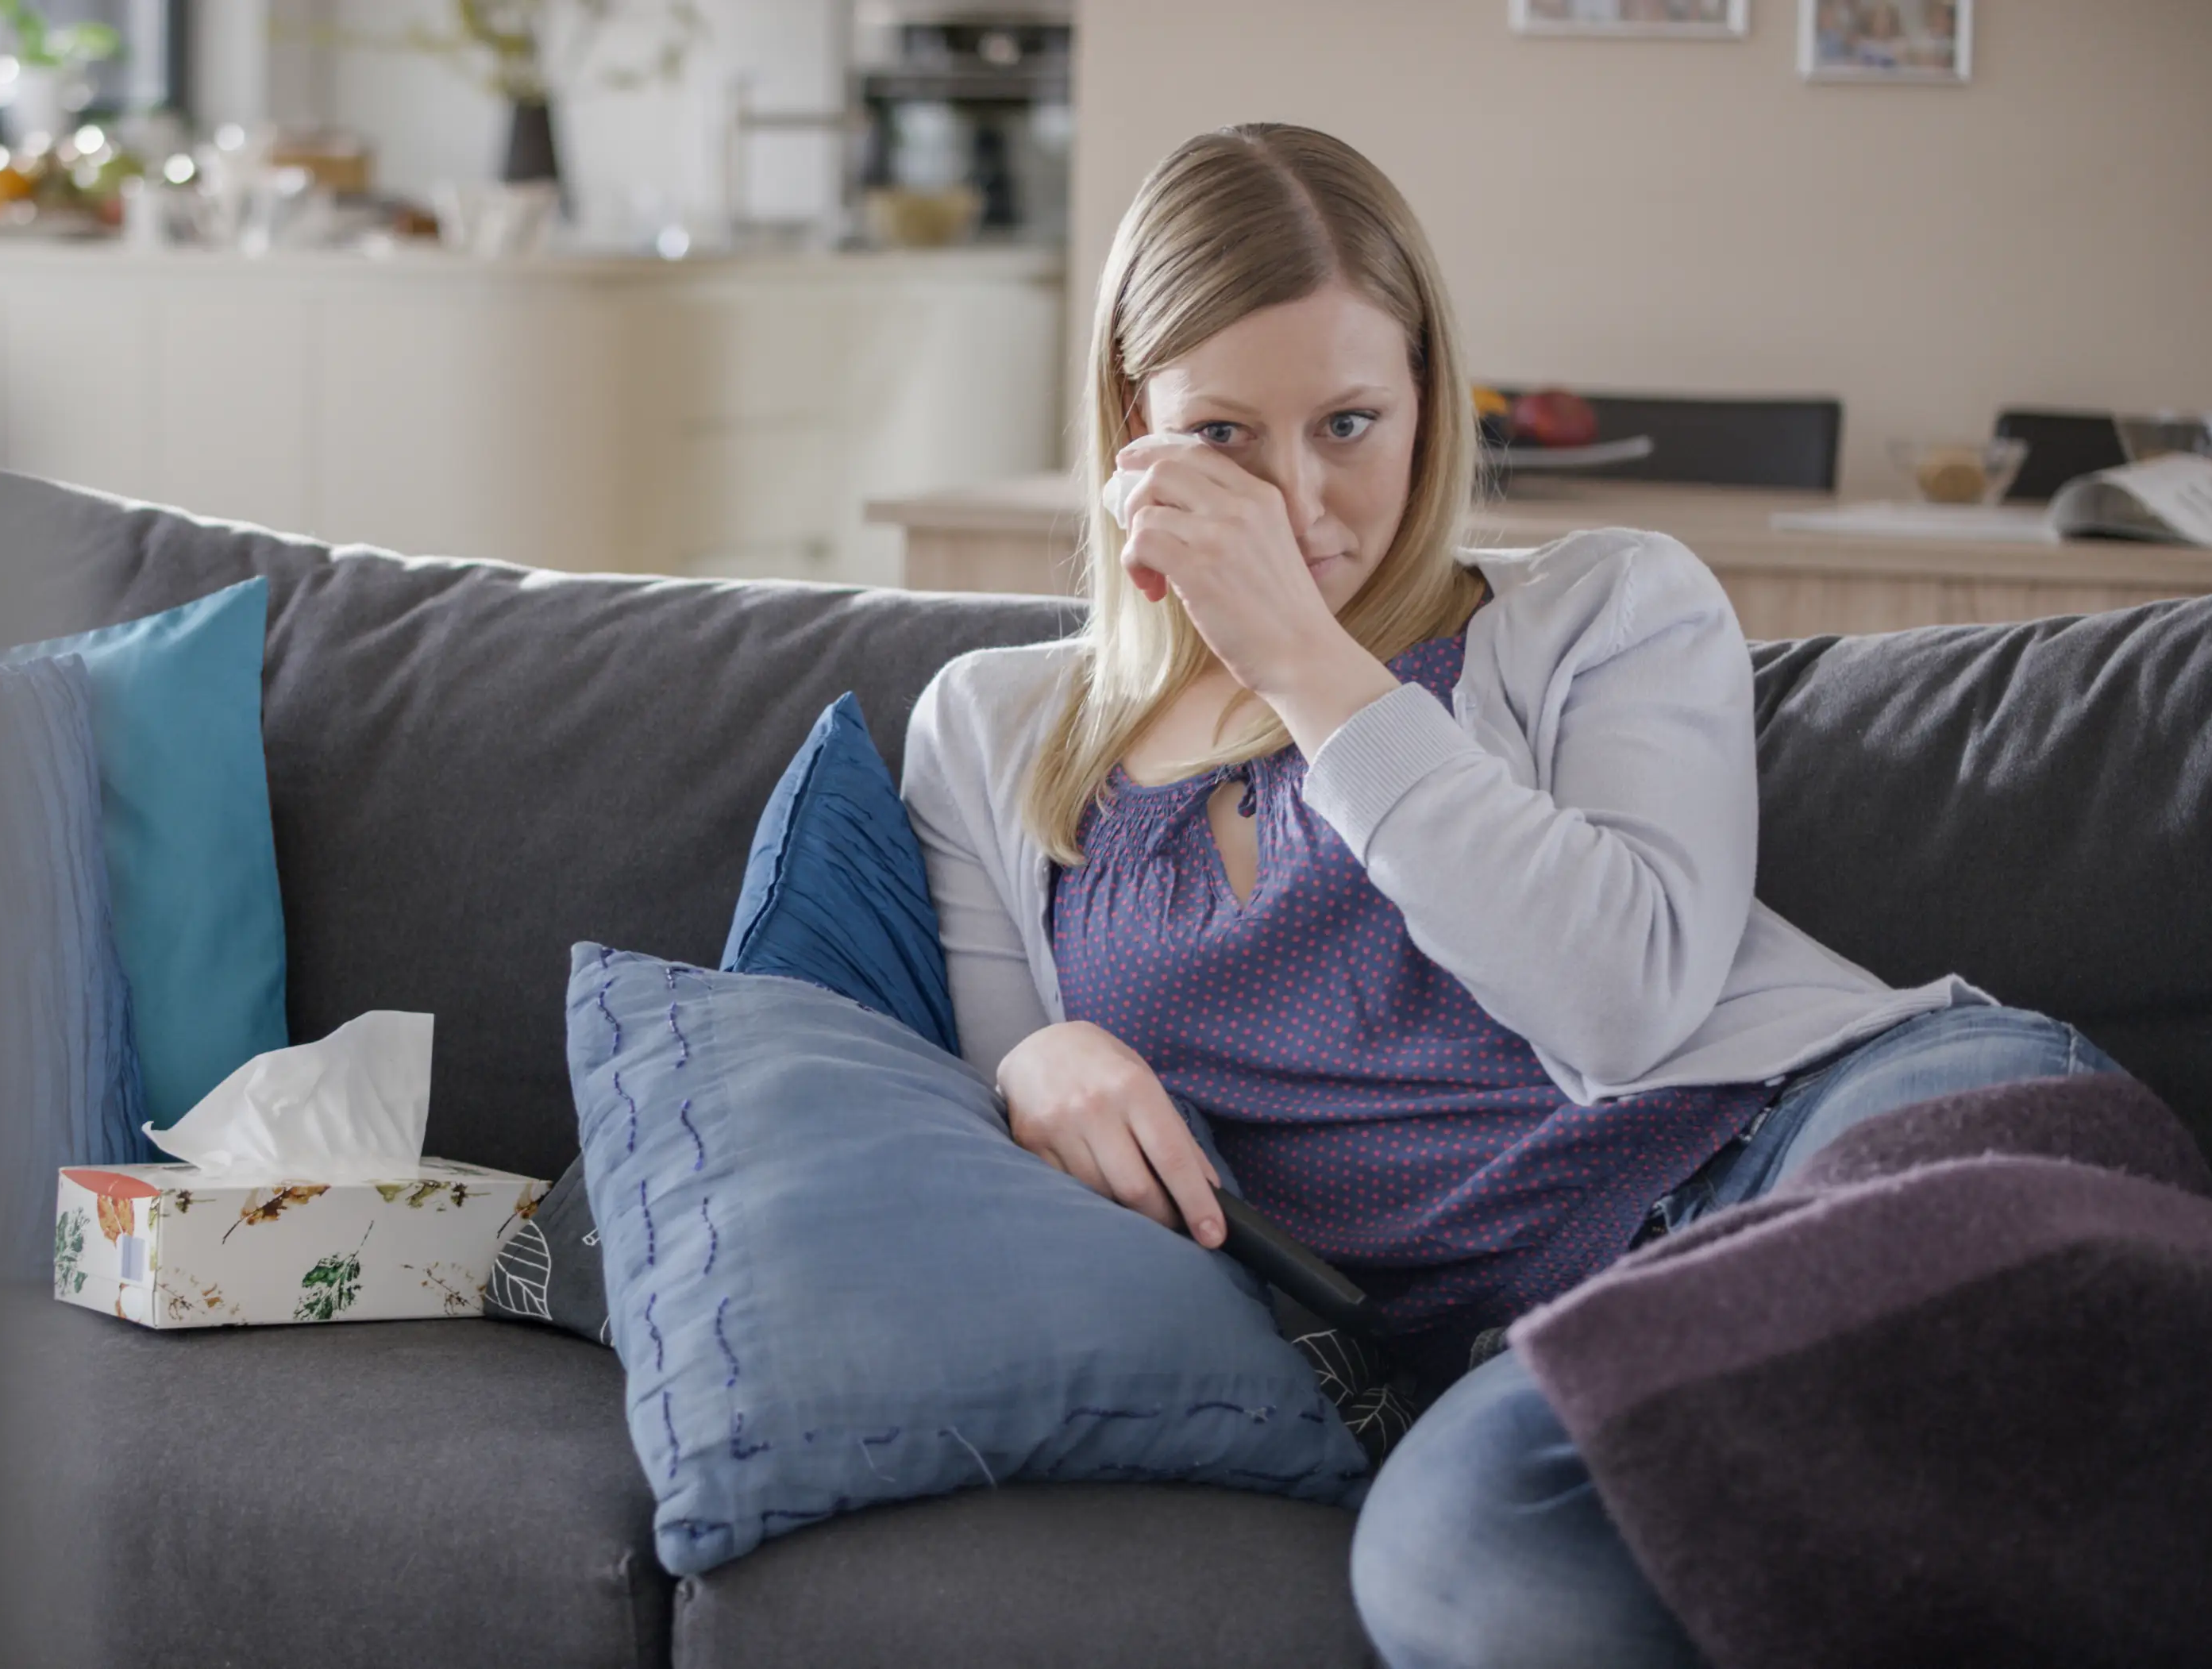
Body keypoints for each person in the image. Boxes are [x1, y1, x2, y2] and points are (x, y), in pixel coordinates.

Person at [896, 122, 2125, 1669]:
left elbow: (1624, 1002)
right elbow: (993, 1127)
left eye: (1350, 423)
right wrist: (1030, 1057)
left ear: (1429, 401)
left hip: (1817, 1140)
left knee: (1985, 1329)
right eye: (1226, 436)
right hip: (1538, 1341)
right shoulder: (993, 731)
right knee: (1468, 1565)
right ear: (1133, 427)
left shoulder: (1610, 608)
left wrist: (1307, 664)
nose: (1300, 502)